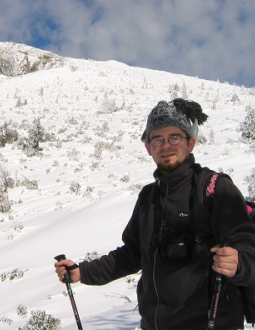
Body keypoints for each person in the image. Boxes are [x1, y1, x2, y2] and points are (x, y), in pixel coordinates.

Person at [55, 98, 255, 330]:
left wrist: (239, 263)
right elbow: (132, 254)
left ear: (191, 143)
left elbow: (247, 245)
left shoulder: (215, 188)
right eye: (157, 139)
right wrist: (83, 272)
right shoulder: (148, 197)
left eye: (175, 137)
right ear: (148, 148)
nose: (166, 145)